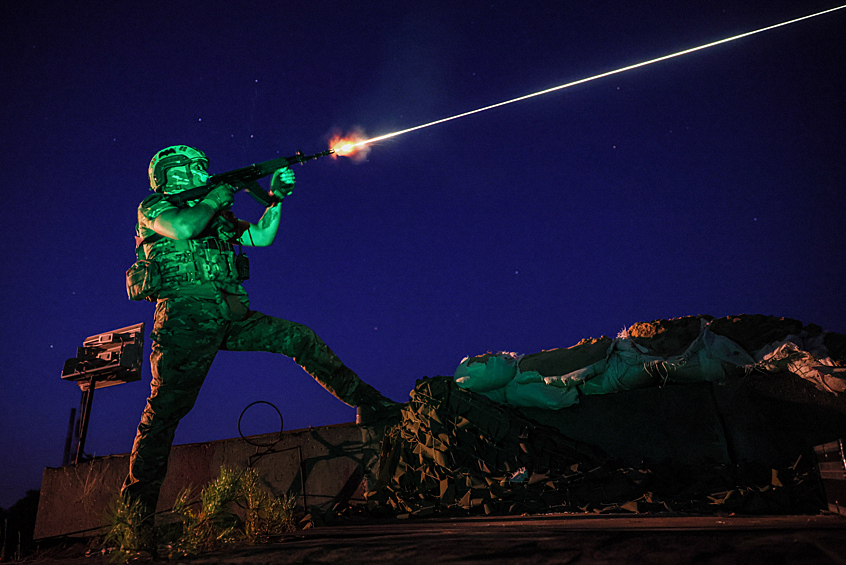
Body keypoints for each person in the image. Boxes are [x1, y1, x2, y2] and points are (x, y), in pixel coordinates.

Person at [121, 145, 398, 533]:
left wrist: (276, 201)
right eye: (196, 167)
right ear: (174, 173)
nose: (205, 172)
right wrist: (216, 197)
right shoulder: (154, 206)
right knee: (165, 413)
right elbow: (183, 228)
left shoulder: (213, 212)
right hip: (184, 319)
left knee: (298, 338)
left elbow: (260, 237)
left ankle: (371, 404)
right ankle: (135, 518)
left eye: (205, 166)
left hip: (229, 313)